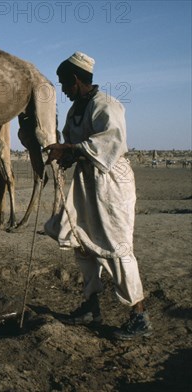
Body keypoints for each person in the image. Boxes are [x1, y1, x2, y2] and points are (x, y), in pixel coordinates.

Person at [44, 52, 152, 340]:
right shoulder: (76, 110)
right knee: (81, 242)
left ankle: (140, 315)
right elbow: (74, 145)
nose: (63, 89)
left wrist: (72, 151)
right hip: (87, 182)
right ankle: (91, 304)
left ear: (76, 80)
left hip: (111, 182)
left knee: (116, 247)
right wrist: (64, 155)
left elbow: (112, 140)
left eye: (65, 83)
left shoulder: (106, 105)